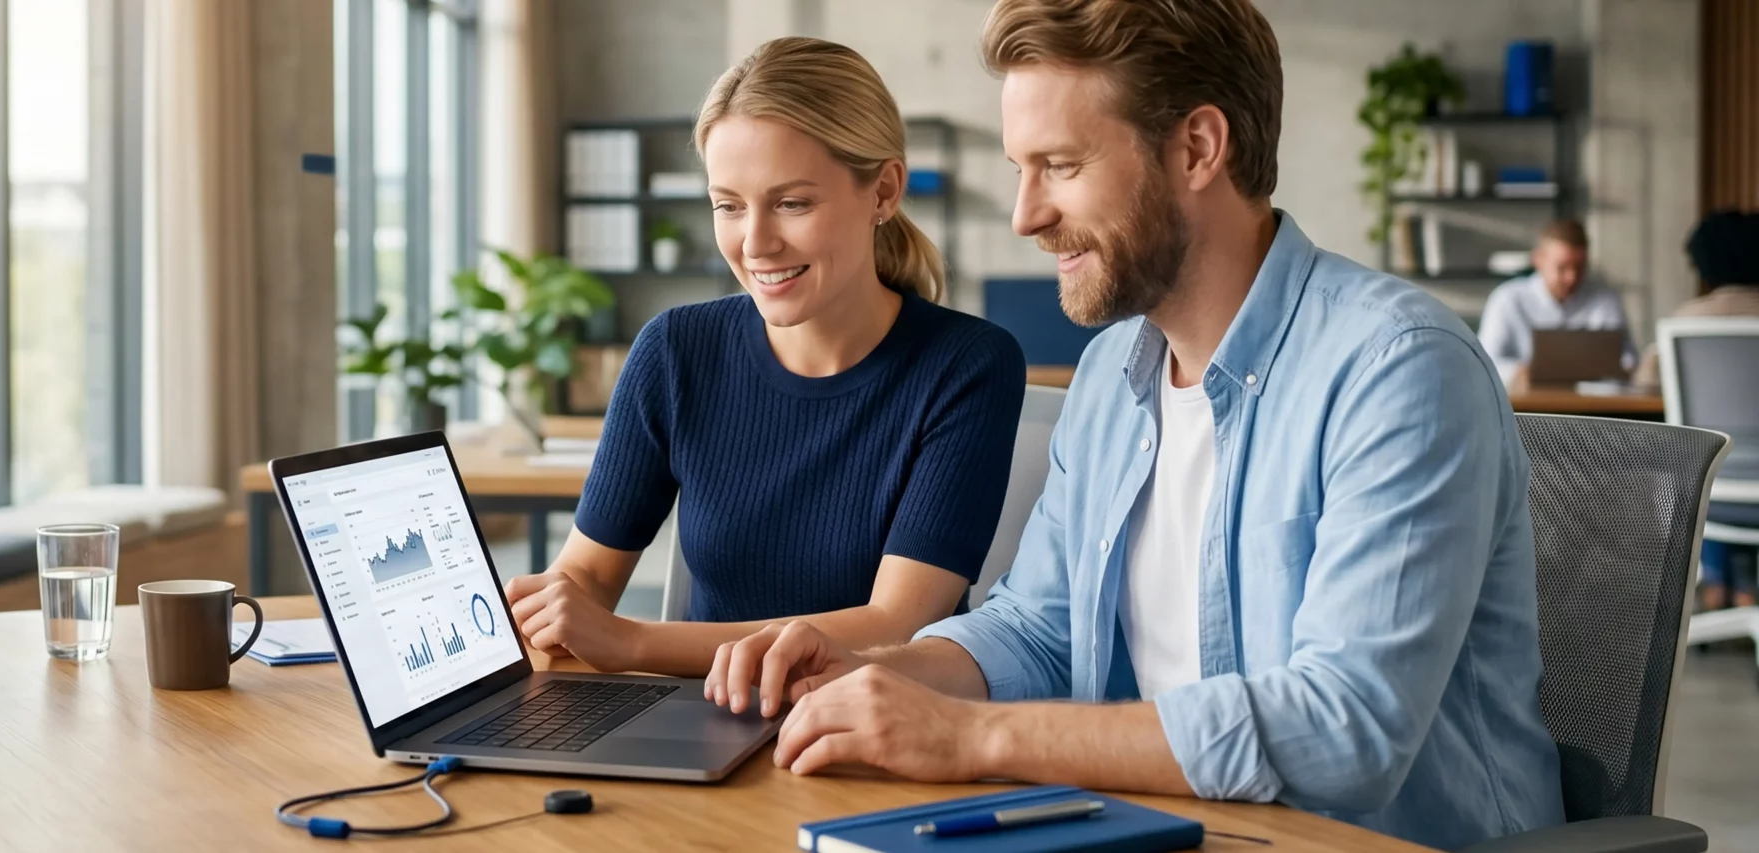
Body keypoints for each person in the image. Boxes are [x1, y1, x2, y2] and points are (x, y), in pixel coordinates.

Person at [704, 1, 1563, 849]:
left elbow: (1346, 729)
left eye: (1061, 165)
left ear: (1196, 148)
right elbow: (1037, 630)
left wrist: (968, 737)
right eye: (1019, 169)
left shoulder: (1398, 367)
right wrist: (871, 671)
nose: (1026, 215)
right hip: (1164, 830)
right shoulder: (1116, 373)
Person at [506, 37, 1024, 678]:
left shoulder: (967, 364)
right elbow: (585, 572)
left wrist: (634, 643)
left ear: (884, 191)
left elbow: (894, 623)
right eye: (728, 205)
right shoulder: (674, 352)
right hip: (697, 727)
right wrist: (548, 610)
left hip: (873, 736)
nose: (756, 244)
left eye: (792, 203)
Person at [1639, 210, 1759, 611]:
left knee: (1704, 460)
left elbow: (1643, 384)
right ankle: (1743, 589)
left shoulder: (1684, 323)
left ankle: (1722, 586)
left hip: (1707, 489)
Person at [1478, 219, 1635, 381]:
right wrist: (1522, 372)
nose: (1571, 278)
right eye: (1562, 267)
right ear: (1538, 260)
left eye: (1579, 267)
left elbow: (1627, 360)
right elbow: (1485, 362)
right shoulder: (1507, 299)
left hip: (1595, 401)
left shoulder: (1605, 297)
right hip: (1524, 404)